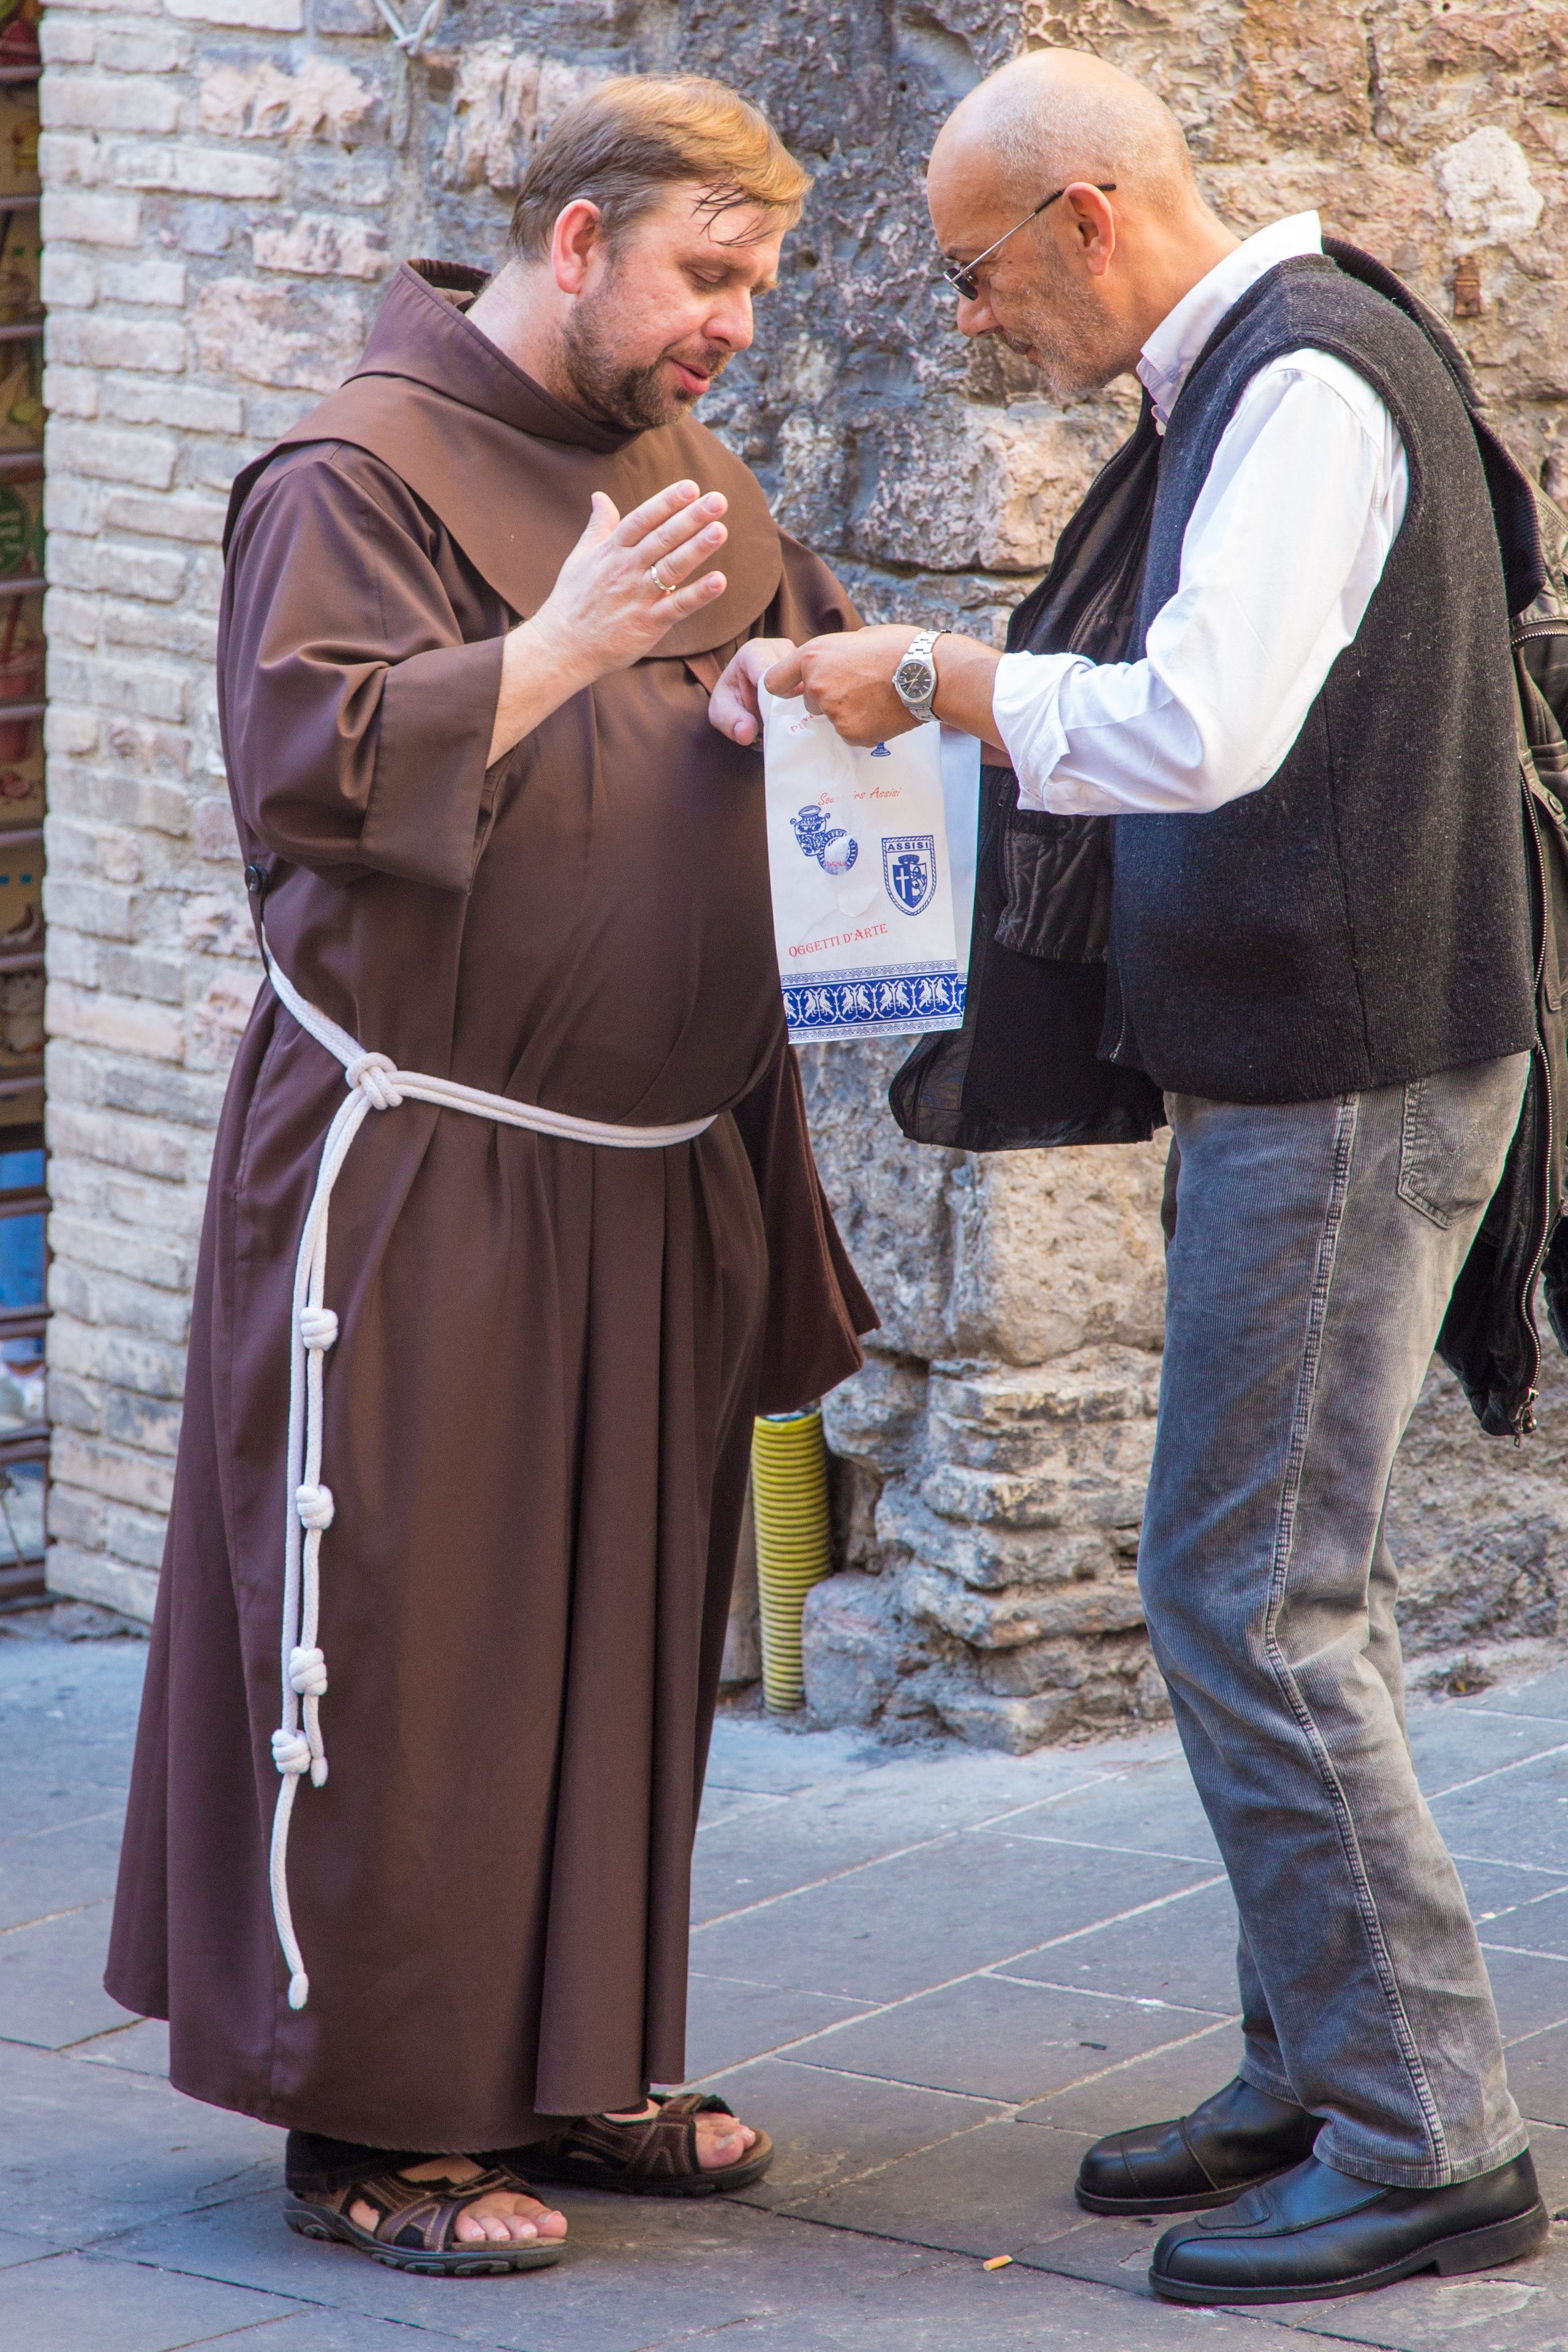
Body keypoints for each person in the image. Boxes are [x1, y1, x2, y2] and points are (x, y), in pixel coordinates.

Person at [711, 46, 1554, 2312]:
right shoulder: (1257, 376)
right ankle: (1318, 2059)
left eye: (981, 274)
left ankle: (1428, 2135)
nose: (974, 321)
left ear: (1089, 216)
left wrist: (933, 672)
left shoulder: (1308, 384)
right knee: (1290, 1586)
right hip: (1308, 1066)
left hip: (1350, 1080)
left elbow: (1198, 725)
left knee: (1246, 1598)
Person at [106, 74, 875, 2278]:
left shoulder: (678, 467)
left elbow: (777, 659)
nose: (735, 326)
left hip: (646, 1172)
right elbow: (307, 767)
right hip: (425, 1171)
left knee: (621, 1638)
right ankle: (371, 2117)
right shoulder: (354, 471)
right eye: (707, 278)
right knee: (413, 1644)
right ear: (572, 242)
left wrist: (812, 695)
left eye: (757, 285)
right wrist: (559, 656)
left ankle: (574, 2062)